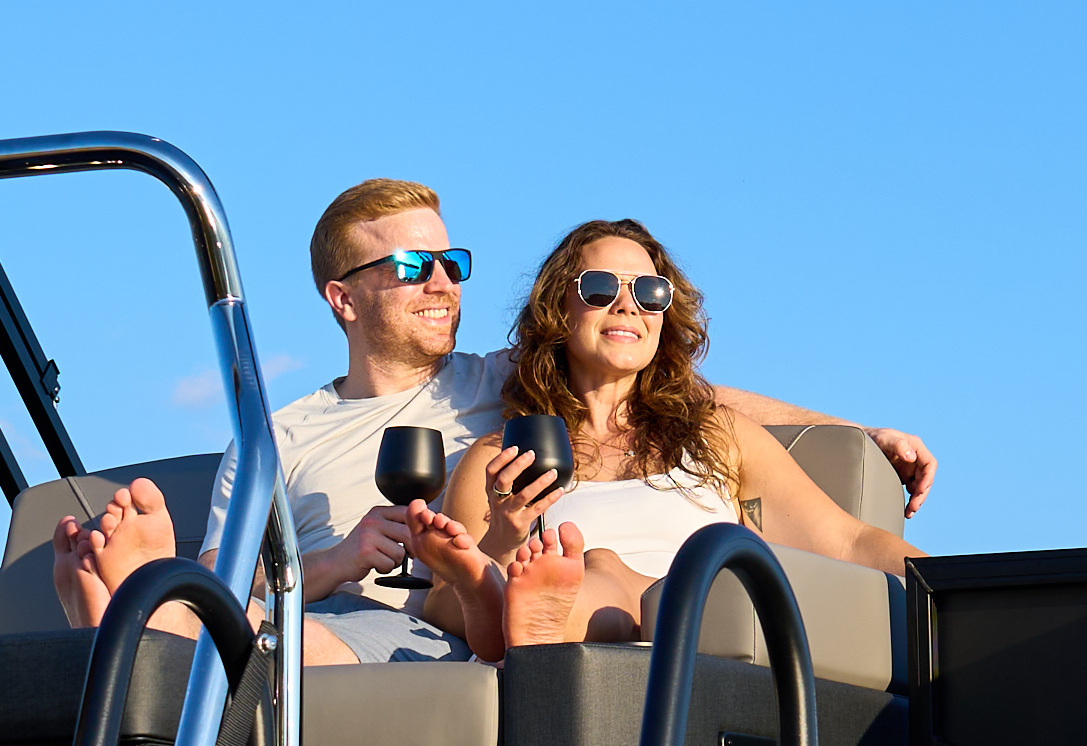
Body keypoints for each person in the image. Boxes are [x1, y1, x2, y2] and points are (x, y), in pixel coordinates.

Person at [69, 178, 938, 668]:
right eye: (415, 265)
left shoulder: (497, 389)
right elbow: (242, 574)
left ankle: (151, 624)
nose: (444, 280)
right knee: (539, 573)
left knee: (558, 577)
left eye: (453, 262)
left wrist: (860, 433)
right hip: (359, 609)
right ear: (343, 298)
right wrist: (338, 559)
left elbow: (688, 392)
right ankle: (155, 621)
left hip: (438, 624)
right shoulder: (281, 438)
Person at [409, 218, 917, 657]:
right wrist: (504, 539)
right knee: (584, 567)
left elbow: (848, 542)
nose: (628, 306)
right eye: (601, 289)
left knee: (613, 570)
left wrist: (964, 583)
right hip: (583, 645)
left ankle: (564, 617)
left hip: (705, 620)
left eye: (650, 294)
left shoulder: (717, 434)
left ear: (664, 318)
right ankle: (532, 615)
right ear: (559, 309)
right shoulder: (502, 456)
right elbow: (438, 607)